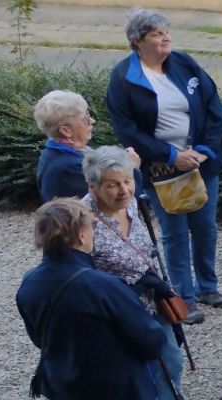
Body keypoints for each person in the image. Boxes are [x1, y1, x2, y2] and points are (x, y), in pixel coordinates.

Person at [106, 7, 222, 316]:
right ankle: (183, 299)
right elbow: (126, 129)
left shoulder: (184, 63)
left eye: (166, 32)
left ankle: (208, 286)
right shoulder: (124, 77)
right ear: (137, 41)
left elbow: (214, 107)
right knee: (174, 232)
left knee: (205, 228)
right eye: (157, 34)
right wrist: (171, 155)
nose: (165, 38)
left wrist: (203, 150)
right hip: (161, 168)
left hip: (201, 162)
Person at [17, 198, 174, 400]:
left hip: (63, 386)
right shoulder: (104, 286)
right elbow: (151, 341)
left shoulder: (29, 283)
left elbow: (38, 337)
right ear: (82, 236)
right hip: (115, 388)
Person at [79, 146, 188, 396]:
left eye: (127, 181)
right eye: (112, 185)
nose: (124, 190)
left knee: (171, 362)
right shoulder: (82, 220)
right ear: (92, 187)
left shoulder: (130, 205)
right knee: (139, 377)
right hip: (120, 314)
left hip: (154, 302)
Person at [35, 90, 97, 203]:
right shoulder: (72, 167)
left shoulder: (54, 153)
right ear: (66, 130)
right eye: (85, 119)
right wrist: (132, 169)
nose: (92, 121)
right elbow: (115, 202)